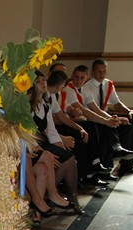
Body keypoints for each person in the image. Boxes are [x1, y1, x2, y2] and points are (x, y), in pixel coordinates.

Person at [29, 71, 83, 215]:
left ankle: (70, 196)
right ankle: (53, 195)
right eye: (38, 81)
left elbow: (51, 130)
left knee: (68, 158)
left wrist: (60, 147)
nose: (43, 83)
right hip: (31, 146)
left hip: (42, 144)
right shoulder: (28, 106)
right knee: (50, 157)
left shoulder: (45, 104)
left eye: (44, 80)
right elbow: (27, 134)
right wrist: (43, 151)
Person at [80, 58, 133, 177]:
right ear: (93, 72)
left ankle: (128, 162)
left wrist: (129, 111)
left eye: (104, 71)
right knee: (109, 124)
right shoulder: (87, 87)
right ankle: (116, 149)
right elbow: (94, 110)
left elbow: (116, 103)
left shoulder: (108, 84)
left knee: (132, 120)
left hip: (105, 114)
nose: (102, 74)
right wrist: (113, 119)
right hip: (95, 117)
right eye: (99, 71)